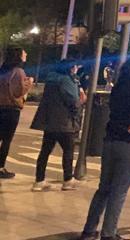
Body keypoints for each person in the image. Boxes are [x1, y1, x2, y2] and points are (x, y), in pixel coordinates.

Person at [81, 55, 130, 240]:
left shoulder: (118, 89)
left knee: (104, 188)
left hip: (111, 141)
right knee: (119, 190)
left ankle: (89, 230)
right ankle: (109, 233)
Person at [31, 61, 84, 191]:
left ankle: (39, 180)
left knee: (45, 151)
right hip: (64, 122)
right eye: (75, 66)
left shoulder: (50, 80)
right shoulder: (67, 81)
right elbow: (73, 102)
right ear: (71, 68)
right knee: (68, 151)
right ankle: (67, 180)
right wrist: (81, 103)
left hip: (50, 122)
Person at [0, 46, 33, 179]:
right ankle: (1, 167)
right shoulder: (19, 72)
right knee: (6, 140)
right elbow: (18, 91)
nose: (26, 54)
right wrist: (29, 83)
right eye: (24, 52)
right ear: (18, 56)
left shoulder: (3, 70)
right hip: (11, 109)